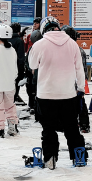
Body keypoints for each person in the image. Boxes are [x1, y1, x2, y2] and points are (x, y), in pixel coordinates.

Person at [29, 16, 87, 168]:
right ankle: (78, 157)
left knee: (48, 129)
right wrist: (80, 89)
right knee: (72, 127)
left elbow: (32, 64)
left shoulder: (39, 44)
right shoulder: (72, 44)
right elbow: (80, 70)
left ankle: (50, 159)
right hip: (68, 94)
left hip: (45, 94)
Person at [0, 24, 19, 138]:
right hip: (10, 84)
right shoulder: (13, 50)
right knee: (10, 106)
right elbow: (15, 69)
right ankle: (12, 126)